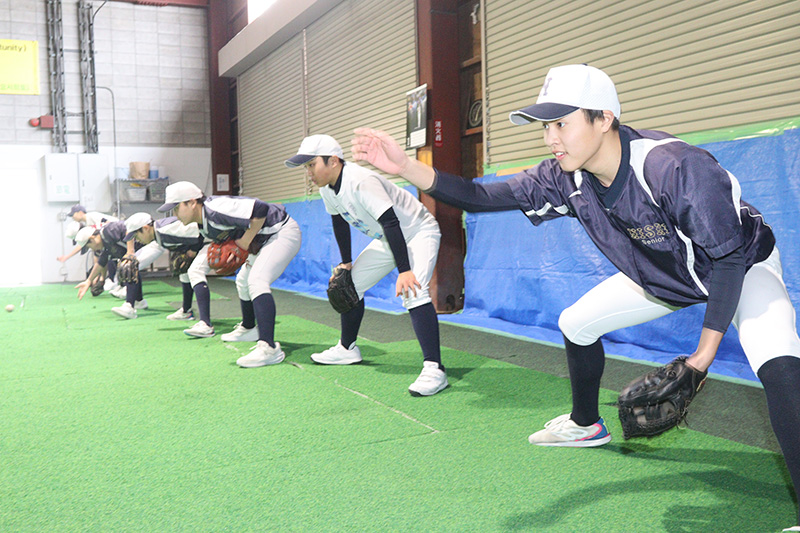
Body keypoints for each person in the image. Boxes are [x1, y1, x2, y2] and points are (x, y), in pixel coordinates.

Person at [351, 64, 800, 527]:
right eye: (546, 126)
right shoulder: (566, 176)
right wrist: (405, 166)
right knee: (576, 323)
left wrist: (701, 359)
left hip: (742, 266)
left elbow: (726, 258)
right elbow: (479, 197)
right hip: (663, 275)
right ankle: (586, 424)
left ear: (604, 119)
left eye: (561, 123)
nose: (551, 138)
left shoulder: (672, 166)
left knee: (778, 364)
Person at [285, 134, 449, 396]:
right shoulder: (328, 188)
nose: (308, 173)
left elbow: (391, 222)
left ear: (334, 160)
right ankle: (347, 349)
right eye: (305, 167)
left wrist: (404, 270)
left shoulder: (361, 181)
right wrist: (346, 263)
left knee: (413, 290)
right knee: (348, 287)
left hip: (418, 230)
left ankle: (435, 368)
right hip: (389, 238)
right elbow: (339, 222)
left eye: (311, 165)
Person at [157, 181, 302, 368]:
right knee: (243, 280)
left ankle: (269, 348)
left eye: (177, 208)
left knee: (257, 280)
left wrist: (243, 243)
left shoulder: (215, 208)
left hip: (281, 231)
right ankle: (249, 328)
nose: (175, 214)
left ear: (192, 202)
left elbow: (261, 208)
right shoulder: (202, 222)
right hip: (264, 239)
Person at [123, 212, 206, 321]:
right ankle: (186, 311)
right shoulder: (158, 233)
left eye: (136, 235)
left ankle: (205, 322)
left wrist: (192, 251)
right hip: (193, 242)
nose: (136, 240)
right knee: (185, 272)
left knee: (194, 273)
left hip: (216, 241)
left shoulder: (166, 230)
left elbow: (199, 228)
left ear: (146, 228)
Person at [73, 221, 148, 317]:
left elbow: (128, 229)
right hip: (143, 247)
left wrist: (130, 251)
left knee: (128, 266)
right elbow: (100, 263)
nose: (92, 250)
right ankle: (139, 301)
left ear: (92, 238)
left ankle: (129, 307)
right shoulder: (106, 245)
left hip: (151, 245)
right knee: (129, 266)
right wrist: (88, 281)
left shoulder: (107, 231)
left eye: (89, 247)